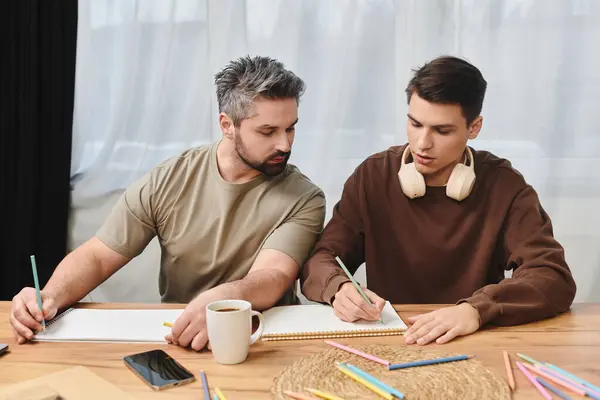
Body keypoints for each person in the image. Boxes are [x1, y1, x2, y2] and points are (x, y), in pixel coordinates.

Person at [10, 55, 326, 351]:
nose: (284, 144)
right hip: (181, 334)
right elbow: (98, 256)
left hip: (263, 338)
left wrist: (223, 299)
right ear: (227, 125)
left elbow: (273, 277)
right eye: (268, 131)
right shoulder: (169, 179)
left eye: (291, 128)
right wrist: (48, 298)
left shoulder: (304, 197)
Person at [300, 55, 576, 345]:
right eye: (415, 124)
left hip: (473, 340)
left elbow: (552, 276)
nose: (422, 143)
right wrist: (339, 288)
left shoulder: (505, 185)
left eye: (442, 131)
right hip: (393, 339)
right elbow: (321, 259)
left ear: (474, 128)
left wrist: (476, 310)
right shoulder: (372, 177)